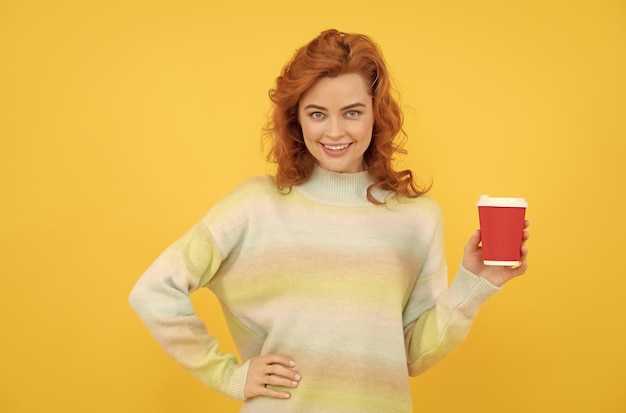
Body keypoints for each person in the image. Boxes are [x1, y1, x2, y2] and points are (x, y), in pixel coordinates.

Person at [129, 29, 530, 413]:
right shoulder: (255, 205)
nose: (334, 131)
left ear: (377, 114)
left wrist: (475, 285)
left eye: (352, 112)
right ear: (296, 120)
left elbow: (411, 356)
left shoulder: (417, 219)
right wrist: (227, 375)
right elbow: (153, 291)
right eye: (317, 113)